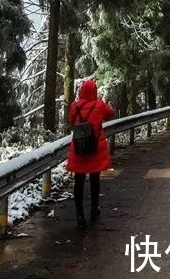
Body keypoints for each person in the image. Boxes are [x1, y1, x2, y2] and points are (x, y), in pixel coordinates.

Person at [66, 78, 115, 228]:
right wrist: (104, 103)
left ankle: (80, 215)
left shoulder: (75, 106)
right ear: (94, 91)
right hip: (95, 148)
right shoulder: (99, 105)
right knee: (95, 179)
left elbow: (70, 120)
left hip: (79, 147)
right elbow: (110, 114)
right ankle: (94, 208)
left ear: (81, 92)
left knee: (79, 182)